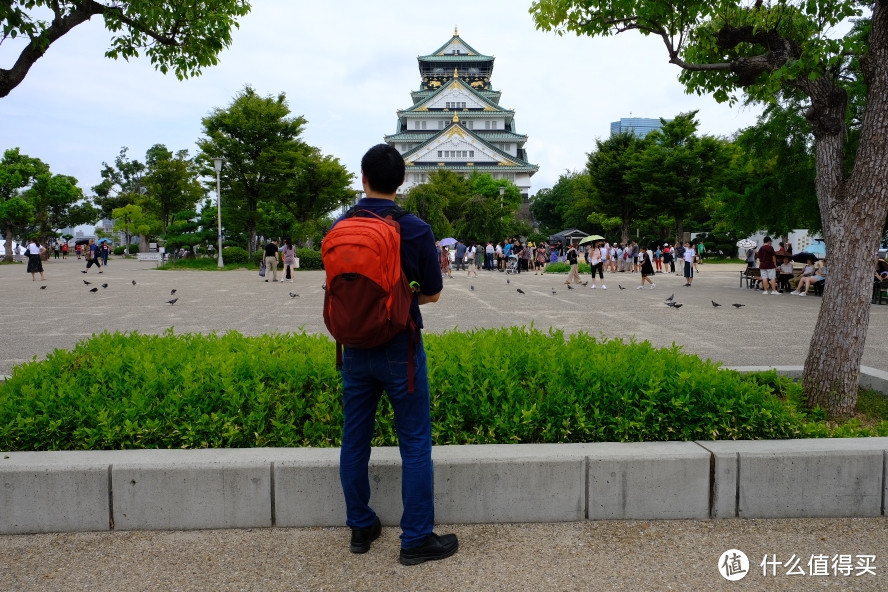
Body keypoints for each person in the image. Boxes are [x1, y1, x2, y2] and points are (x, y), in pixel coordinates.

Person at [335, 144, 456, 566]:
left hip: (352, 347)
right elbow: (435, 293)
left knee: (355, 439)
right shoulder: (416, 228)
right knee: (415, 442)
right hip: (400, 347)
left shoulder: (342, 224)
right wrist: (401, 300)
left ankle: (360, 525)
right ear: (402, 182)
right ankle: (417, 539)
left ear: (362, 178)